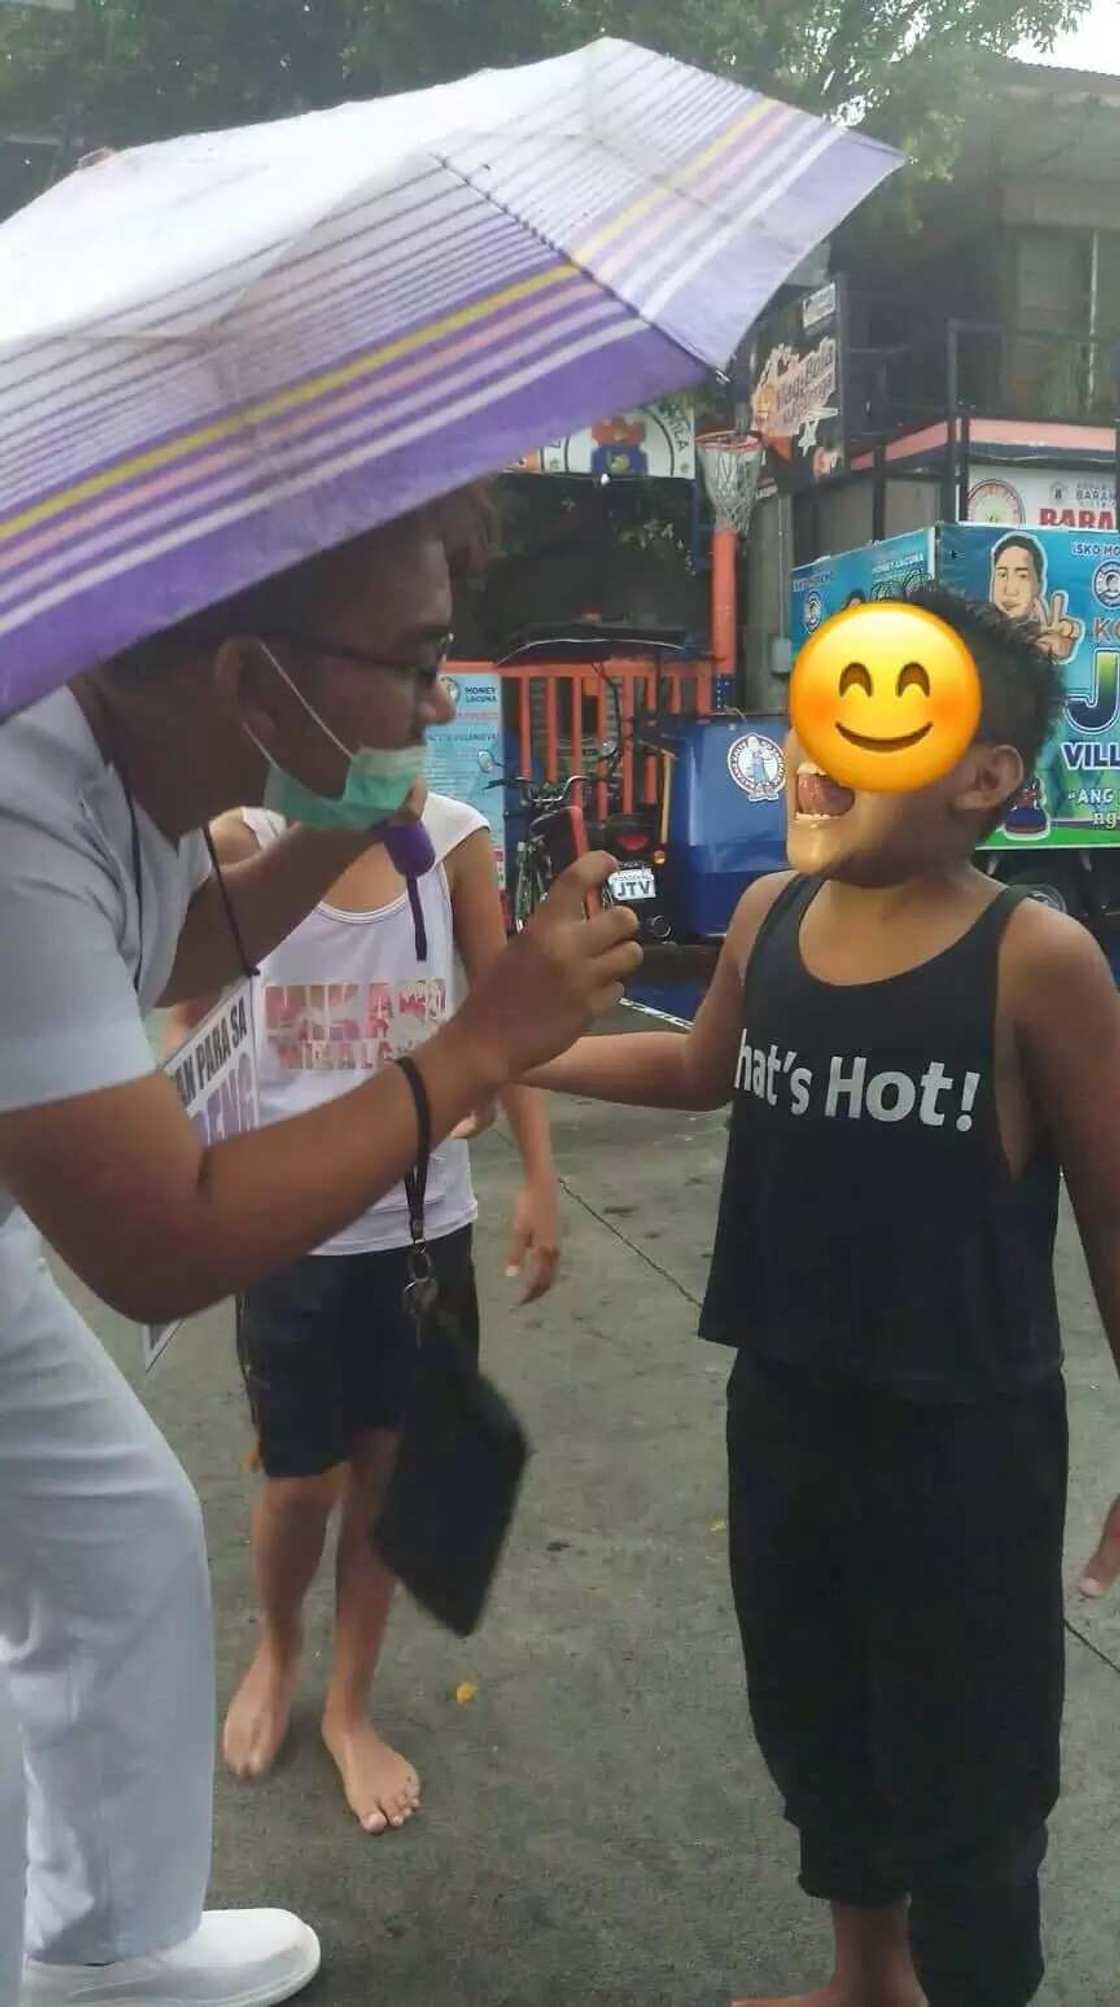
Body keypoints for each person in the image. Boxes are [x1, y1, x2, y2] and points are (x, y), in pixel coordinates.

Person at [0, 492, 640, 2007]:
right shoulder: (15, 809)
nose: (439, 697)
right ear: (251, 676)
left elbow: (171, 947)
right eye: (417, 656)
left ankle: (105, 1938)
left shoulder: (103, 756)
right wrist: (479, 1048)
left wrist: (351, 818)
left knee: (123, 1540)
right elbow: (167, 1238)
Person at [523, 585, 1120, 2007]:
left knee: (971, 1764)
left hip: (962, 1437)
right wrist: (512, 1055)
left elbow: (1114, 1215)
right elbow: (692, 1068)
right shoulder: (771, 911)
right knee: (816, 1713)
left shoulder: (1036, 958)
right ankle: (866, 1978)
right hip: (785, 1400)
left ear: (985, 776)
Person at [166, 791, 560, 1836]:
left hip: (422, 1227)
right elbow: (185, 1019)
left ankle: (348, 1704)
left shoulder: (455, 840)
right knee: (302, 1482)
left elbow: (501, 1012)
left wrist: (539, 1178)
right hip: (283, 1227)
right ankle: (281, 1644)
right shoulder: (245, 843)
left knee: (386, 1474)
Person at [989, 533, 1081, 662]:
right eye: (1002, 574)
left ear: (1039, 585)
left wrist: (1057, 649)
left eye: (1022, 576)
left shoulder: (1039, 635)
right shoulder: (973, 622)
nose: (1010, 590)